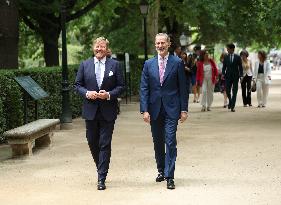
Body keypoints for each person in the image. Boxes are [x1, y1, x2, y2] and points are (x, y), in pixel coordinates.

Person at [74, 37, 125, 190]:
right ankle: (100, 167)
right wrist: (86, 93)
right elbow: (77, 85)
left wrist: (108, 94)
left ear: (106, 49)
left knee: (104, 143)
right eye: (97, 46)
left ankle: (101, 177)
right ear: (93, 48)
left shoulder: (115, 65)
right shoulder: (85, 65)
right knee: (91, 141)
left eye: (102, 47)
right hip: (90, 110)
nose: (99, 49)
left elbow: (121, 86)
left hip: (108, 111)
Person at [140, 33, 188, 190]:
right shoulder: (148, 64)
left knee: (170, 141)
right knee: (158, 142)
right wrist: (144, 110)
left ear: (168, 44)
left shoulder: (178, 62)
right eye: (157, 43)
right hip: (154, 109)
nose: (160, 46)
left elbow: (183, 88)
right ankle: (161, 170)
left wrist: (184, 109)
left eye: (162, 43)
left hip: (172, 109)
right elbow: (144, 88)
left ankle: (170, 176)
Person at [222, 43, 243, 112]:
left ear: (232, 49)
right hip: (227, 76)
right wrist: (223, 73)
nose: (227, 50)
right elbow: (224, 67)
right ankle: (230, 101)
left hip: (235, 76)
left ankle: (233, 106)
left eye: (228, 49)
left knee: (235, 91)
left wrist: (241, 76)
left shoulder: (237, 57)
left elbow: (240, 67)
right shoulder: (226, 57)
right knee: (227, 90)